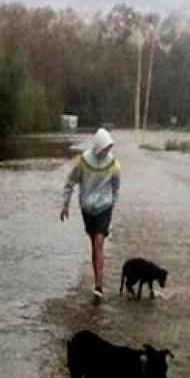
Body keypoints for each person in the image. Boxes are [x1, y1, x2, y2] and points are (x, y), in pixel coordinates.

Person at [60, 128, 121, 300]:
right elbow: (70, 182)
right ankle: (97, 277)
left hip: (104, 207)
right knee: (94, 244)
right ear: (97, 147)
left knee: (99, 241)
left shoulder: (113, 164)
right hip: (87, 207)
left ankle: (99, 285)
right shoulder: (83, 162)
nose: (106, 152)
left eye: (109, 148)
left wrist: (112, 203)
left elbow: (116, 186)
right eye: (104, 148)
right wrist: (65, 204)